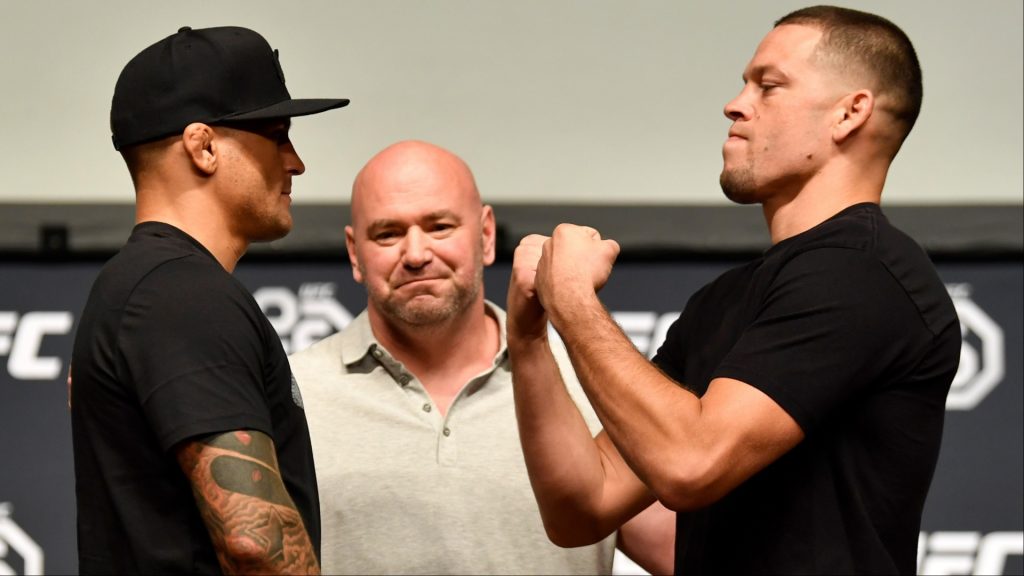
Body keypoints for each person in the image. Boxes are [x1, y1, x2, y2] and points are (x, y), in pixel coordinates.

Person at [507, 6, 961, 575]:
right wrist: (529, 339)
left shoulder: (864, 273)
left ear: (849, 113)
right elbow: (582, 507)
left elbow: (691, 461)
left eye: (768, 86)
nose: (735, 103)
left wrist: (573, 299)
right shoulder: (724, 300)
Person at [288, 140, 675, 575]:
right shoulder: (292, 393)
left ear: (486, 235)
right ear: (355, 252)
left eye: (439, 227)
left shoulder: (586, 381)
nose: (416, 254)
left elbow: (689, 553)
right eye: (388, 234)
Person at [70, 26, 348, 574]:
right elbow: (256, 542)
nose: (295, 162)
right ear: (203, 146)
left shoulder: (149, 286)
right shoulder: (180, 295)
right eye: (277, 134)